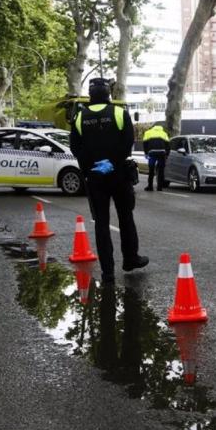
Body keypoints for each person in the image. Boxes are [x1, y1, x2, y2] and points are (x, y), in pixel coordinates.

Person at [70, 78, 149, 282]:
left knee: (101, 224)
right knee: (126, 218)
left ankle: (108, 271)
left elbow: (75, 148)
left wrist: (92, 166)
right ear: (108, 94)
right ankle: (130, 259)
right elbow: (128, 142)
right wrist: (111, 162)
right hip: (119, 175)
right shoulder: (119, 113)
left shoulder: (79, 117)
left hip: (95, 178)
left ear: (91, 94)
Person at [142, 124, 170, 191]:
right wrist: (167, 154)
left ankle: (150, 186)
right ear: (161, 128)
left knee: (151, 170)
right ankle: (159, 187)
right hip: (162, 153)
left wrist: (146, 153)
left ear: (153, 127)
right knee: (161, 170)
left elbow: (145, 143)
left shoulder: (148, 132)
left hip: (152, 153)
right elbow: (168, 145)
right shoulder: (164, 133)